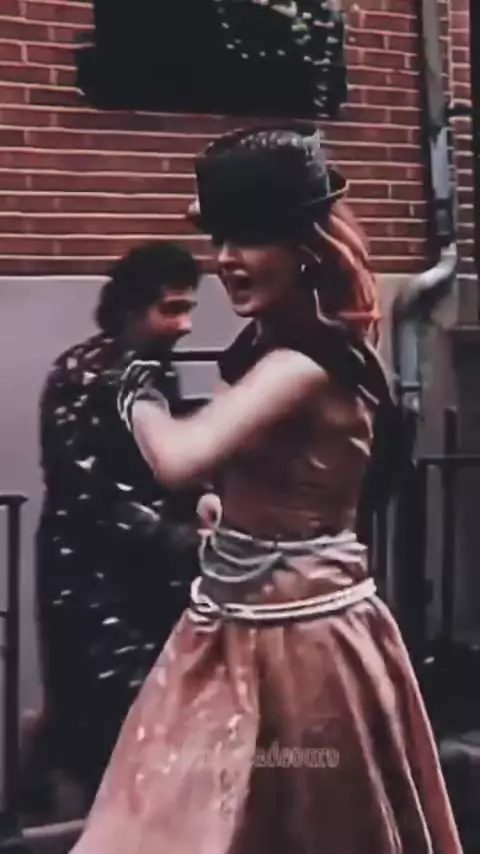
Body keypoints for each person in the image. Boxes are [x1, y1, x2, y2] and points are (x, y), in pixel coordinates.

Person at [70, 128, 461, 853]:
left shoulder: (304, 363)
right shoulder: (279, 352)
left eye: (250, 237)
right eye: (220, 238)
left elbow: (179, 460)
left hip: (299, 645)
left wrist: (135, 393)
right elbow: (261, 477)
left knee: (281, 822)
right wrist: (232, 509)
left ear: (306, 247)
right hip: (237, 624)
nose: (226, 258)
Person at [29, 241, 206, 811]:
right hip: (92, 583)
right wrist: (184, 540)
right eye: (171, 309)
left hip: (146, 580)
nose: (185, 325)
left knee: (148, 722)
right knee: (99, 727)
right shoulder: (84, 376)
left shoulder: (150, 370)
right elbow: (90, 497)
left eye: (189, 308)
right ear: (131, 307)